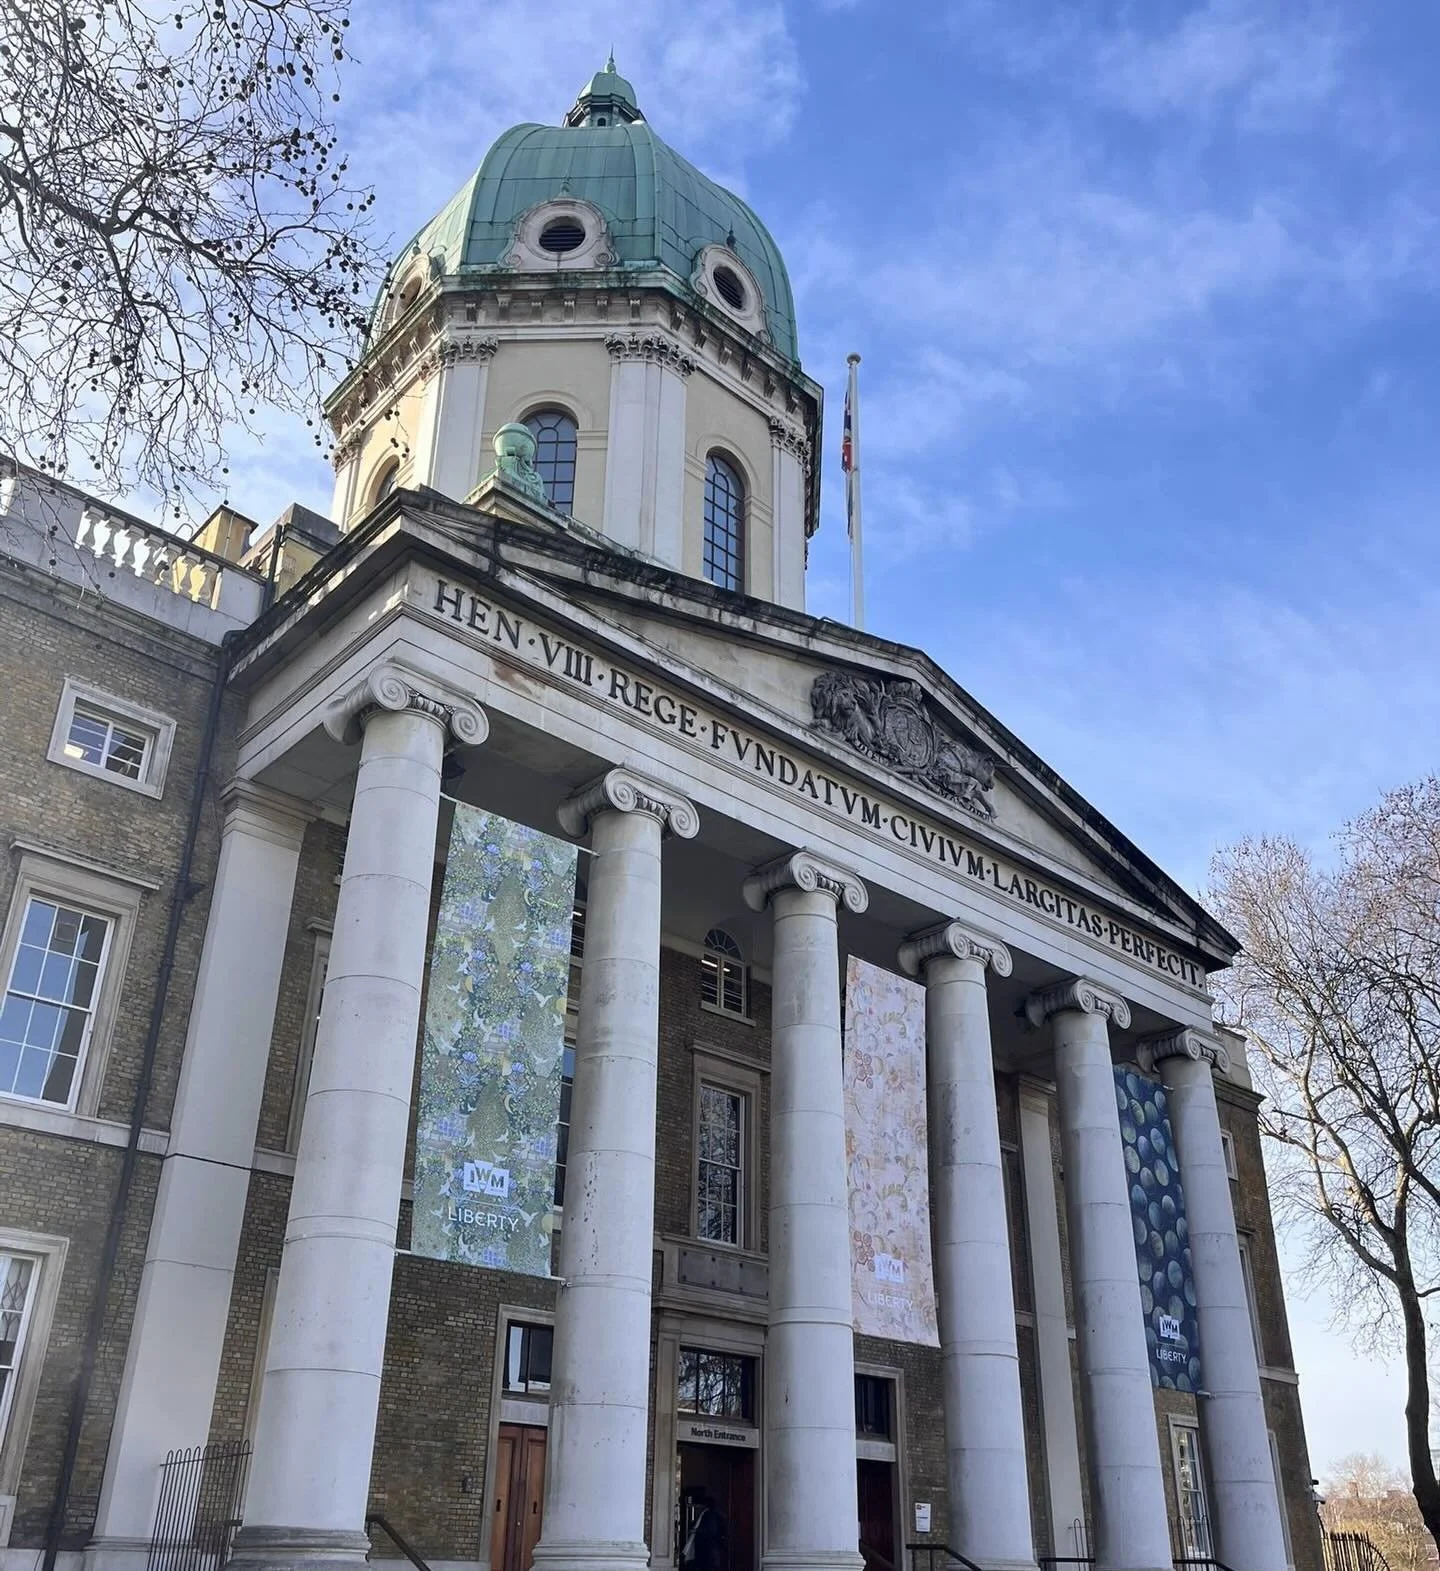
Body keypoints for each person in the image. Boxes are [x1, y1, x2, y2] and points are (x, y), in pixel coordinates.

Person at [681, 1490, 728, 1571]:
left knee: (708, 1566)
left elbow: (710, 1530)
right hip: (712, 1548)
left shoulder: (708, 1515)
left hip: (709, 1548)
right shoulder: (716, 1515)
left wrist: (695, 1530)